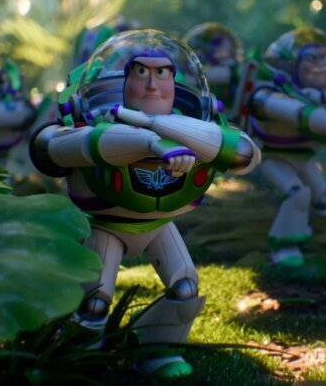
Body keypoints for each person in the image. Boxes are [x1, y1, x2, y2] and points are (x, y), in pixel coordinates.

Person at [29, 29, 260, 379]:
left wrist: (164, 127)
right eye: (141, 72)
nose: (153, 85)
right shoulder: (91, 125)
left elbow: (244, 153)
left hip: (157, 226)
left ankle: (153, 350)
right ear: (126, 80)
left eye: (162, 73)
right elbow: (52, 147)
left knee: (185, 288)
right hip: (107, 226)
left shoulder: (194, 129)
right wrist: (152, 143)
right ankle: (79, 360)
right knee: (95, 302)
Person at [248, 27, 326, 267]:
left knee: (324, 200)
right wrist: (321, 113)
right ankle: (285, 248)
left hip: (304, 159)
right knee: (297, 193)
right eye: (313, 58)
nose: (322, 65)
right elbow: (301, 115)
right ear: (291, 66)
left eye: (324, 57)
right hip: (273, 158)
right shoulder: (266, 94)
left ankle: (316, 233)